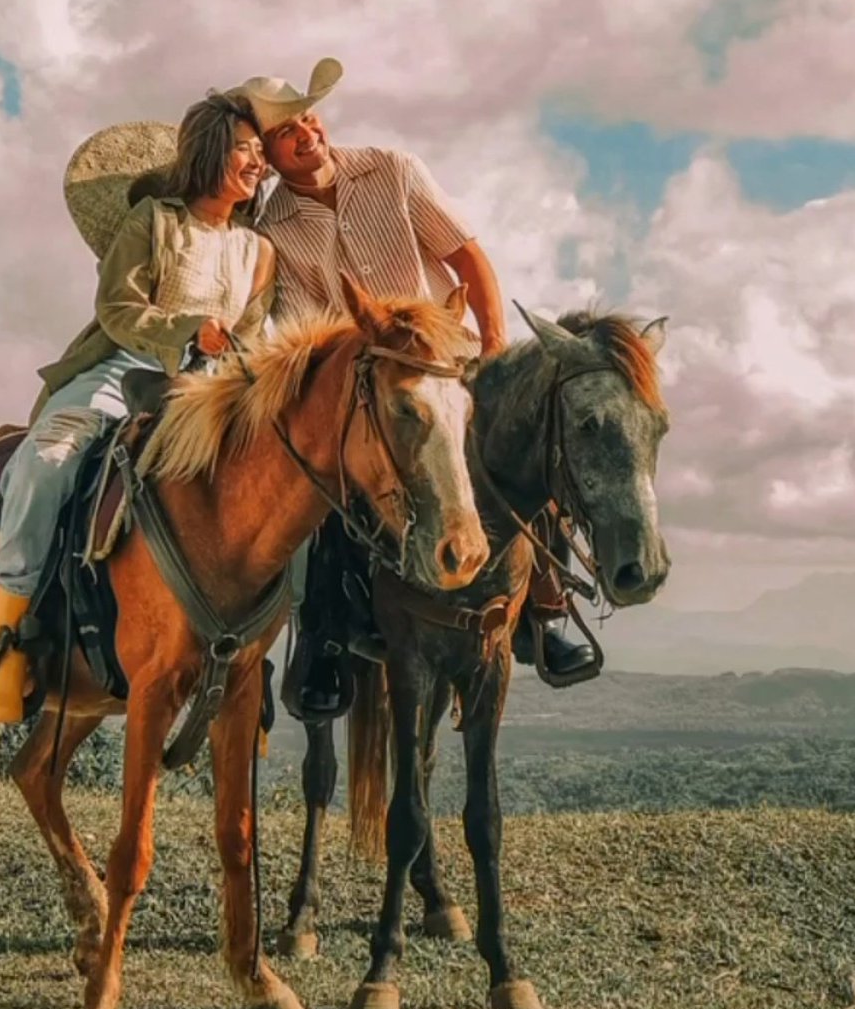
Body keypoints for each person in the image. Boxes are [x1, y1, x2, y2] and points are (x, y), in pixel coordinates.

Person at [226, 60, 595, 715]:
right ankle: (324, 638)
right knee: (323, 478)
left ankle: (545, 609)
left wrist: (496, 347)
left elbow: (467, 259)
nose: (307, 132)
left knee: (528, 441)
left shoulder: (394, 170)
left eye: (309, 117)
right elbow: (309, 325)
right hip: (365, 378)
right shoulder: (271, 233)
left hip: (445, 359)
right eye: (287, 132)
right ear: (269, 154)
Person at [0, 91, 275, 723]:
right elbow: (117, 309)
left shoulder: (260, 252)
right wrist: (189, 328)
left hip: (214, 392)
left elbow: (251, 335)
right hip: (125, 370)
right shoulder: (153, 223)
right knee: (48, 460)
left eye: (259, 151)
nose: (258, 162)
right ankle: (7, 647)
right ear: (211, 153)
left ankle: (254, 665)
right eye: (245, 149)